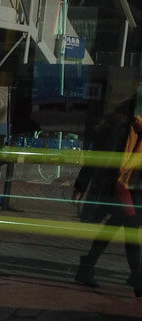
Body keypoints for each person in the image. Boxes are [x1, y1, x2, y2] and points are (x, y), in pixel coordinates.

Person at [72, 100, 142, 295]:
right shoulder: (121, 128)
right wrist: (81, 185)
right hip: (121, 184)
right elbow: (98, 156)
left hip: (135, 186)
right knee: (130, 224)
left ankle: (86, 266)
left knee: (118, 224)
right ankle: (137, 279)